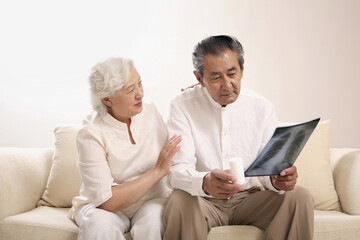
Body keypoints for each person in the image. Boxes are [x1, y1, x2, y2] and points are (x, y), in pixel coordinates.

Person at [163, 35, 314, 240]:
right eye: (216, 77)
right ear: (199, 78)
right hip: (202, 201)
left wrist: (278, 180)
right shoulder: (182, 106)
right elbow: (176, 172)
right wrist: (205, 182)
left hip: (248, 200)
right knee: (179, 199)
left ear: (242, 69)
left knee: (299, 197)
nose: (227, 85)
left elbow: (267, 171)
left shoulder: (262, 107)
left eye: (232, 73)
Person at [68, 57, 181, 240]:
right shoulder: (91, 132)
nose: (140, 94)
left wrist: (189, 104)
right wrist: (157, 172)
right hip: (103, 207)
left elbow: (178, 148)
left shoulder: (150, 112)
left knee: (154, 223)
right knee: (98, 226)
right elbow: (106, 201)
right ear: (107, 99)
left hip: (152, 200)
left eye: (139, 83)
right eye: (130, 90)